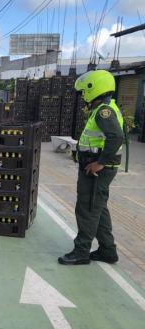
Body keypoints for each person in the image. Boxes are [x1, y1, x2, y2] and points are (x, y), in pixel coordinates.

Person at [58, 70, 124, 265]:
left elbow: (116, 137)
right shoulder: (105, 108)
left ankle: (81, 252)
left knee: (87, 209)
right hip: (97, 168)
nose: (82, 97)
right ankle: (108, 251)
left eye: (83, 92)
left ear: (93, 88)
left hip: (97, 171)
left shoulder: (105, 112)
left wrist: (99, 163)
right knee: (98, 209)